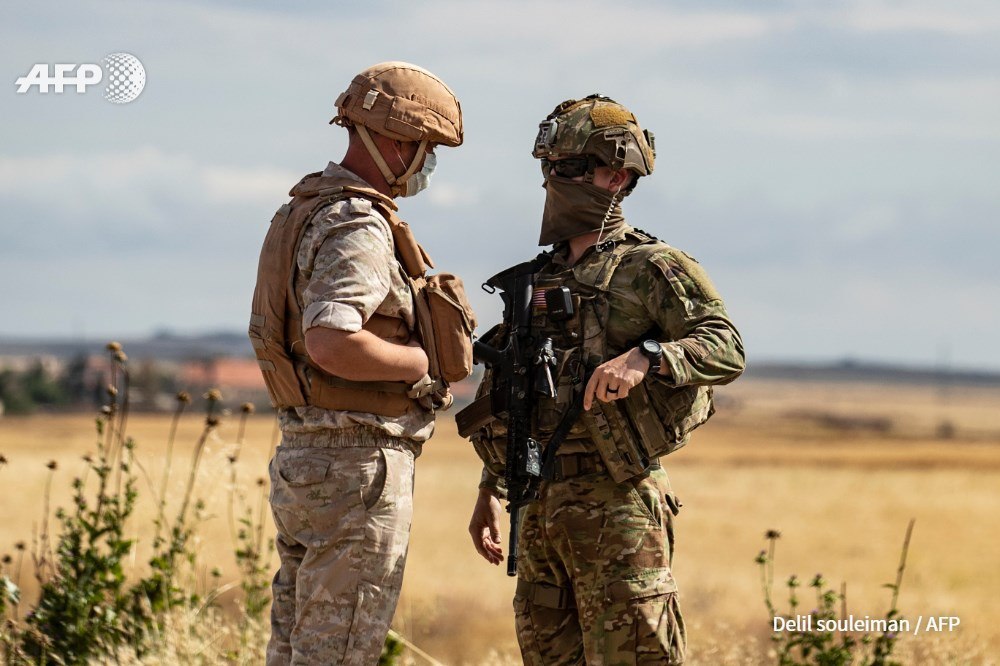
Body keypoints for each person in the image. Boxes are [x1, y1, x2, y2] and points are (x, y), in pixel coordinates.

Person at [465, 95, 745, 665]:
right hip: (537, 504)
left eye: (569, 167)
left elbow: (725, 346)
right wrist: (490, 487)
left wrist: (648, 356)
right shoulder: (536, 279)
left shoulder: (652, 266)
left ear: (616, 176)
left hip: (618, 502)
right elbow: (517, 393)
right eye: (549, 167)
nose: (554, 179)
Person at [248, 62, 466, 665]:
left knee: (298, 647)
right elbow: (330, 340)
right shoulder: (359, 223)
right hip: (357, 465)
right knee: (341, 652)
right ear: (396, 142)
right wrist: (419, 362)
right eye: (425, 148)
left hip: (307, 455)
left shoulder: (305, 209)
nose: (427, 163)